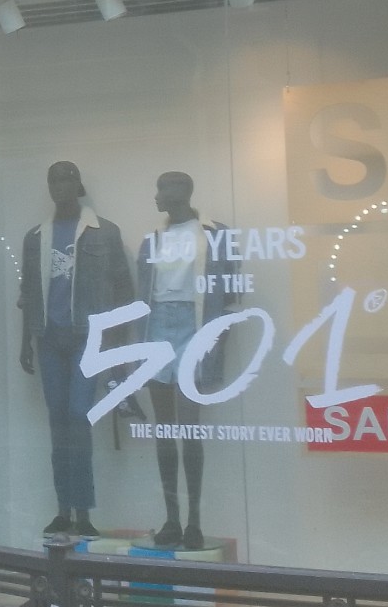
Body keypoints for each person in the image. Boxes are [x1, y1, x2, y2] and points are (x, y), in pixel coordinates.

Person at [18, 161, 133, 538]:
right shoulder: (36, 237)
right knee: (58, 420)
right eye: (53, 180)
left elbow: (123, 288)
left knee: (78, 415)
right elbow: (28, 293)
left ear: (78, 184)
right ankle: (63, 511)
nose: (59, 186)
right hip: (49, 337)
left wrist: (118, 344)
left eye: (66, 179)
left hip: (88, 336)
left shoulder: (105, 232)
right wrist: (25, 341)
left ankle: (83, 512)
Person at [135, 172, 237, 549]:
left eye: (162, 189)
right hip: (158, 324)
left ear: (180, 192)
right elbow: (143, 292)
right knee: (164, 429)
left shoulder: (216, 233)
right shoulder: (152, 238)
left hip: (194, 324)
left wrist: (217, 336)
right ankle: (172, 519)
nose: (157, 196)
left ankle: (194, 520)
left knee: (189, 427)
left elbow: (231, 294)